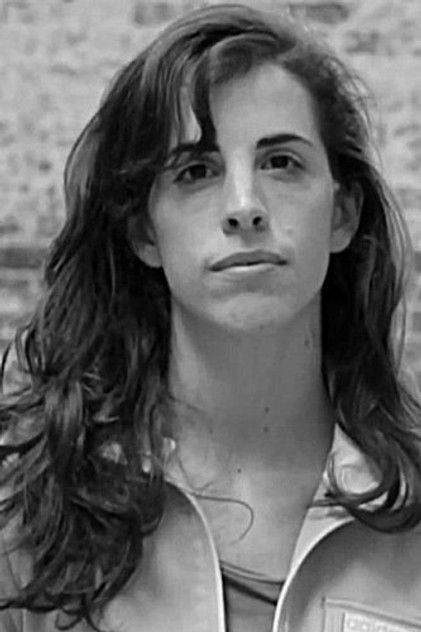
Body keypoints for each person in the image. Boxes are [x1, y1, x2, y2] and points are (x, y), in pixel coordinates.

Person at [1, 3, 421, 631]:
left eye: (281, 163)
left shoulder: (410, 511)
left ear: (342, 214)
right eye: (197, 171)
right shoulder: (32, 516)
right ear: (144, 231)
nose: (244, 206)